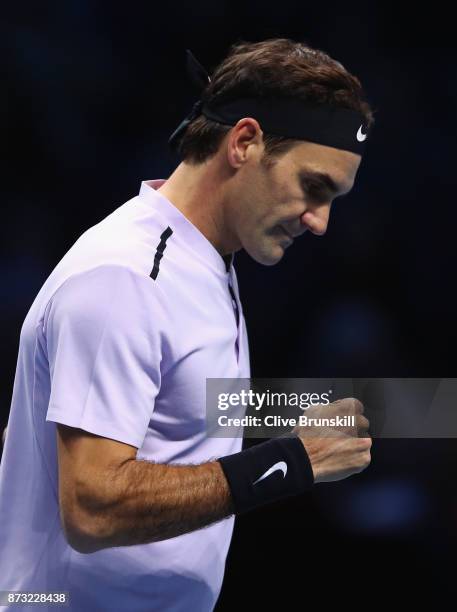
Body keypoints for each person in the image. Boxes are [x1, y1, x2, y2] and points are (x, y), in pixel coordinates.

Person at [0, 38, 375, 611]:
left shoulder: (201, 260)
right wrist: (295, 461)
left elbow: (177, 411)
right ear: (244, 142)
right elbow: (93, 509)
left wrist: (331, 412)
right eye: (313, 187)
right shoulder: (126, 277)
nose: (320, 221)